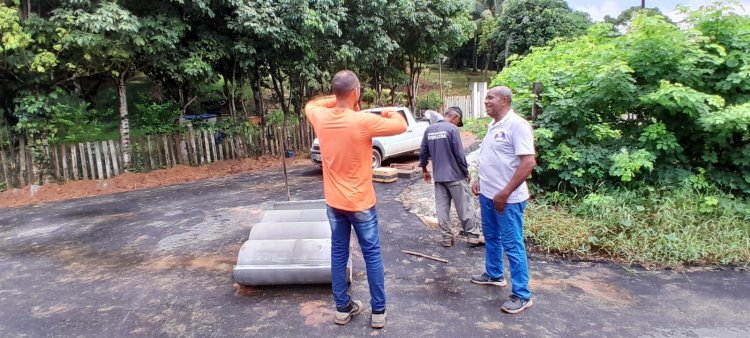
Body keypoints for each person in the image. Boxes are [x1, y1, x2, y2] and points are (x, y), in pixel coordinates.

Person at [304, 70, 407, 328]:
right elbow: (401, 124)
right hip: (361, 203)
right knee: (372, 255)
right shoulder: (362, 120)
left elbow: (312, 104)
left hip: (334, 204)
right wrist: (385, 111)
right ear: (356, 92)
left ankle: (342, 309)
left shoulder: (320, 116)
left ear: (336, 92)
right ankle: (379, 313)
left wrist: (339, 98)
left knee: (338, 254)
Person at [470, 86, 536, 314]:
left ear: (505, 101)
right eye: (486, 97)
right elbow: (492, 156)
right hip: (488, 194)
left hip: (508, 199)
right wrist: (480, 179)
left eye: (490, 97)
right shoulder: (493, 125)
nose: (486, 101)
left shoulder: (517, 125)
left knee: (512, 244)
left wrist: (505, 193)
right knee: (491, 236)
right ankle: (495, 274)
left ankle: (522, 294)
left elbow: (528, 163)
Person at [419, 107, 481, 247]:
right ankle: (472, 235)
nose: (457, 124)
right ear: (456, 117)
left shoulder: (429, 130)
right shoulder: (452, 129)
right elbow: (459, 154)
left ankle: (446, 238)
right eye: (458, 121)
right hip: (455, 176)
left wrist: (424, 170)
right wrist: (466, 172)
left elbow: (423, 152)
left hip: (439, 177)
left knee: (442, 208)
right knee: (464, 206)